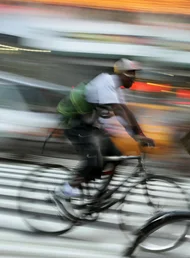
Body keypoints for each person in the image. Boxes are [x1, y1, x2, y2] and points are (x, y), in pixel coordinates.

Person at [53, 58, 154, 216]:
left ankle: (98, 197)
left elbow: (125, 113)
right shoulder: (106, 81)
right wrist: (137, 136)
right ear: (122, 74)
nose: (134, 78)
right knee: (94, 161)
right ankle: (65, 191)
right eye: (131, 74)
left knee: (116, 156)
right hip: (74, 124)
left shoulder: (116, 89)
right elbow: (119, 111)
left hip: (89, 125)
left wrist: (139, 135)